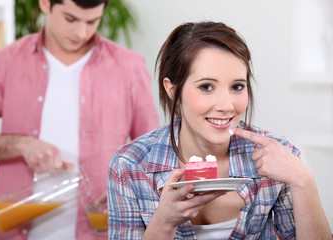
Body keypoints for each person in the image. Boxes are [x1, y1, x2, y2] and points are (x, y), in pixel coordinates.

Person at [107, 21, 332, 239]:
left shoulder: (278, 156)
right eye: (206, 87)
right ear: (173, 90)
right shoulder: (129, 165)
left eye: (237, 87)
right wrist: (164, 222)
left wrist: (304, 182)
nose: (226, 106)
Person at [0, 0, 159, 239]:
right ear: (44, 4)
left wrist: (129, 189)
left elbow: (153, 155)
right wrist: (20, 144)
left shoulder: (129, 66)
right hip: (16, 230)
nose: (81, 32)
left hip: (100, 231)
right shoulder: (6, 61)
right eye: (70, 19)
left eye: (92, 21)